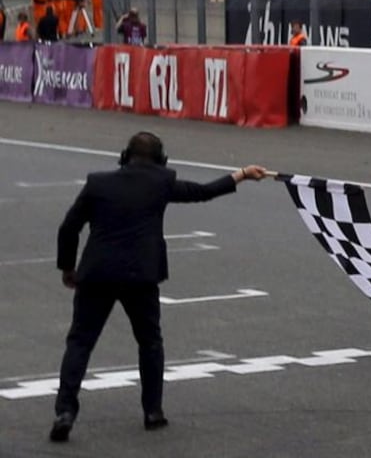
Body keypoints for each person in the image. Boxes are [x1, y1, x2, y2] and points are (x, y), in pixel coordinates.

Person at [50, 132, 268, 442]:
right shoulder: (161, 182)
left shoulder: (97, 183)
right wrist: (242, 174)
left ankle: (65, 411)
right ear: (161, 160)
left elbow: (68, 227)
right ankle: (153, 411)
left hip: (98, 273)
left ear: (125, 156)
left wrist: (68, 267)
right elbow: (203, 192)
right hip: (141, 275)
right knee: (149, 342)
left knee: (80, 343)